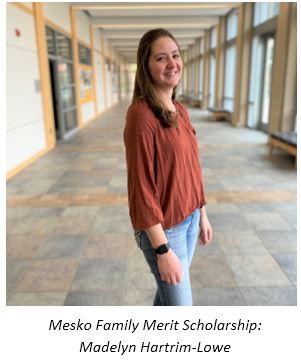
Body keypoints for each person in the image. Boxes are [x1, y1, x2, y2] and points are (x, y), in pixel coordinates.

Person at [123, 28, 213, 306]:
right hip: (165, 230)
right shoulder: (140, 115)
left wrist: (202, 213)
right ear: (146, 67)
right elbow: (141, 188)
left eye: (175, 55)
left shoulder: (180, 110)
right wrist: (162, 249)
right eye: (161, 58)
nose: (172, 63)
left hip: (189, 219)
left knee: (168, 299)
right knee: (180, 308)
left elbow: (191, 168)